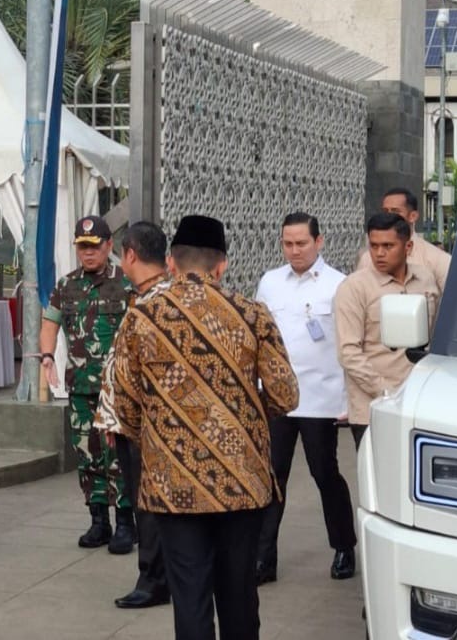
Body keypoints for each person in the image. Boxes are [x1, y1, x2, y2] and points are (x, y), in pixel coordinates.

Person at [112, 215, 299, 640]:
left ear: (173, 264)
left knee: (190, 599)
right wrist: (243, 417)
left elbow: (124, 404)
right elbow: (286, 394)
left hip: (174, 486)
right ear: (222, 266)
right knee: (239, 598)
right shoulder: (252, 314)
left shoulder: (141, 317)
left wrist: (163, 435)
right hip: (243, 482)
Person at [253, 212, 357, 586]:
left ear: (319, 242)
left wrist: (347, 400)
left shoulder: (339, 285)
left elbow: (348, 346)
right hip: (278, 399)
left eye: (301, 243)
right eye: (288, 243)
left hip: (322, 397)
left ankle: (344, 546)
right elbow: (258, 339)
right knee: (272, 475)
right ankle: (264, 558)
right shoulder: (270, 283)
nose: (294, 251)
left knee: (324, 472)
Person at [40, 215, 133, 552]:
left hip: (118, 389)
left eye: (95, 246)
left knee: (118, 457)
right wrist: (47, 356)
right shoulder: (66, 285)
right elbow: (50, 323)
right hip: (79, 387)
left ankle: (126, 522)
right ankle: (98, 521)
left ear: (109, 246)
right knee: (87, 455)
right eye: (82, 246)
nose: (88, 253)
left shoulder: (126, 283)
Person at [97, 221, 172, 608]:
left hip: (148, 426)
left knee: (150, 504)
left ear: (130, 255)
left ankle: (154, 578)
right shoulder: (143, 297)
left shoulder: (157, 303)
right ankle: (159, 573)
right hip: (131, 423)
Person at [336, 213, 441, 448]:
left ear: (408, 246)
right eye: (373, 246)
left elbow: (434, 338)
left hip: (420, 405)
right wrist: (388, 394)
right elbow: (348, 352)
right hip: (374, 409)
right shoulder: (354, 287)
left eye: (388, 246)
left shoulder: (425, 279)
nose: (379, 253)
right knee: (379, 482)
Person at [356, 187, 450, 292]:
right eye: (385, 211)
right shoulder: (367, 259)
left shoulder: (437, 260)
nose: (389, 216)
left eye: (395, 211)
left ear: (413, 216)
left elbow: (452, 301)